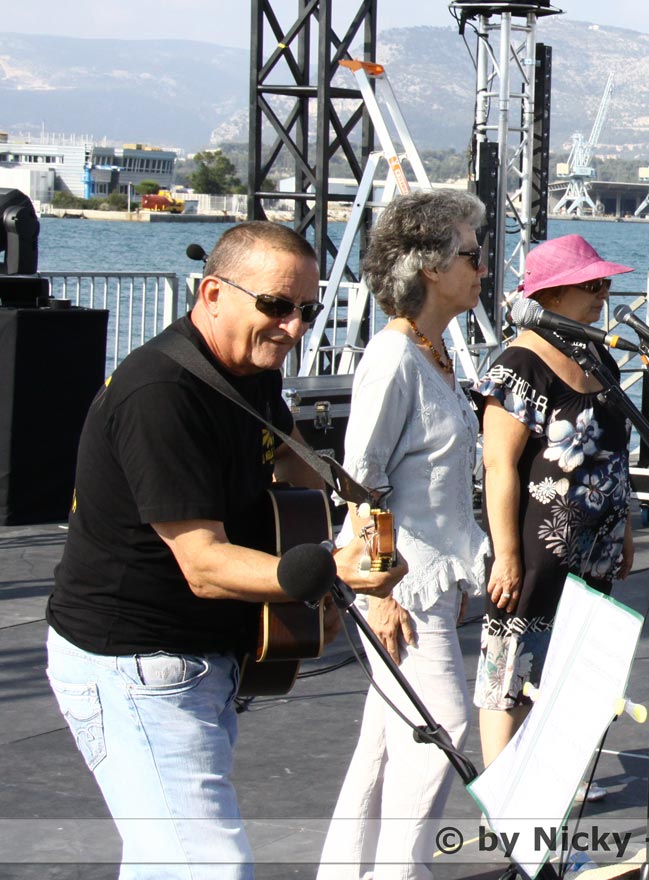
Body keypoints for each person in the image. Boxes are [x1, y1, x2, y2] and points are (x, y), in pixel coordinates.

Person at [44, 221, 404, 878]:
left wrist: (359, 525)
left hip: (200, 661)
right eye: (276, 305)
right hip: (134, 665)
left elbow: (293, 460)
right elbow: (205, 565)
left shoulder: (247, 369)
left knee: (166, 862)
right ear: (213, 293)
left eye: (307, 310)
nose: (294, 328)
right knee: (211, 866)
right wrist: (328, 572)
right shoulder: (162, 396)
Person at [317, 190, 491, 879]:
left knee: (386, 740)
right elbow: (359, 484)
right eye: (471, 255)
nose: (483, 268)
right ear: (429, 268)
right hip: (402, 586)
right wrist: (379, 593)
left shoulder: (435, 351)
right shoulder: (393, 358)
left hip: (430, 579)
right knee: (441, 724)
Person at [474, 234, 636, 779]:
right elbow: (499, 466)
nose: (603, 294)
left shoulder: (597, 355)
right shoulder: (520, 364)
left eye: (605, 283)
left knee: (573, 673)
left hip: (596, 546)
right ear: (553, 294)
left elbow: (615, 453)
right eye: (593, 285)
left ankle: (551, 788)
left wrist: (625, 526)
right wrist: (506, 556)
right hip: (538, 549)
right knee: (512, 672)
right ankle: (503, 795)